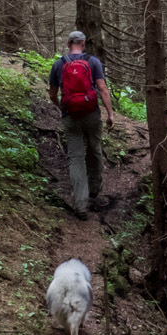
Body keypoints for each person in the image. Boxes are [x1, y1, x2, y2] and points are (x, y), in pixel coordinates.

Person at [47, 30, 115, 218]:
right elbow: (102, 88)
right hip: (92, 114)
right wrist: (110, 114)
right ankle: (94, 189)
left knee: (76, 157)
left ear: (69, 44)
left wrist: (61, 107)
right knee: (94, 148)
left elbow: (52, 94)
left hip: (71, 116)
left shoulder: (58, 65)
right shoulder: (93, 62)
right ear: (83, 44)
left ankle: (80, 204)